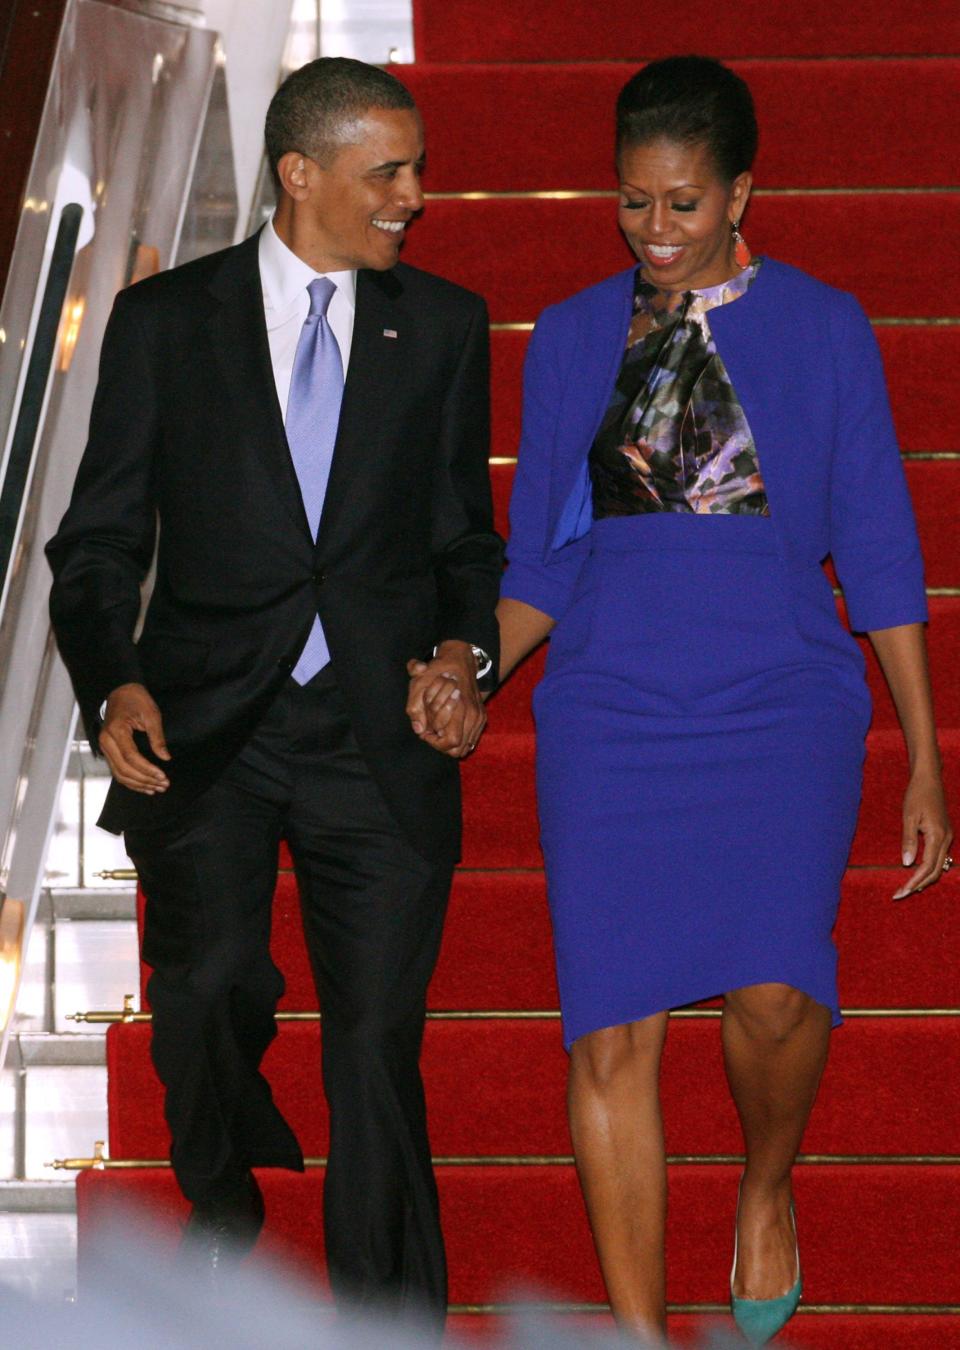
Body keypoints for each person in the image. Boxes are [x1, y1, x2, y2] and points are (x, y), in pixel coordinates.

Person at [491, 55, 953, 1346]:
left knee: (777, 997)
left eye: (682, 204)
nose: (654, 232)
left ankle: (764, 1181)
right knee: (610, 1034)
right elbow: (538, 557)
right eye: (632, 203)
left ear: (743, 192)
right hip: (611, 701)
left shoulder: (824, 323)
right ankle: (640, 1331)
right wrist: (468, 670)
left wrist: (923, 754)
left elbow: (876, 544)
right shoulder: (577, 333)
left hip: (780, 689)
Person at [46, 57, 501, 1328]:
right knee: (207, 989)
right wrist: (113, 680)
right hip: (212, 726)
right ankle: (219, 1201)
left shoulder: (443, 326)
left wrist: (466, 656)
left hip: (375, 731)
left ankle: (389, 1312)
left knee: (373, 1047)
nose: (415, 195)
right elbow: (93, 546)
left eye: (417, 167)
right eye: (390, 172)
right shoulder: (164, 321)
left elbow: (468, 541)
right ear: (301, 175)